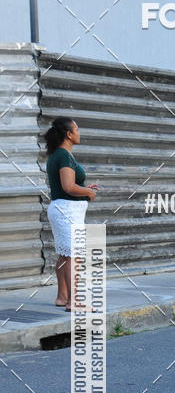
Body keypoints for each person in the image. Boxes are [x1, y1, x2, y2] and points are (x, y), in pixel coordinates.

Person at [44, 117, 98, 310]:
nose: (79, 132)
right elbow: (68, 187)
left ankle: (62, 296)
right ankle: (74, 301)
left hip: (61, 208)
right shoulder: (64, 156)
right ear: (69, 134)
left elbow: (66, 185)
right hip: (67, 210)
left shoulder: (57, 155)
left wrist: (83, 187)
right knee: (73, 255)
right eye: (77, 129)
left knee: (64, 255)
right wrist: (88, 192)